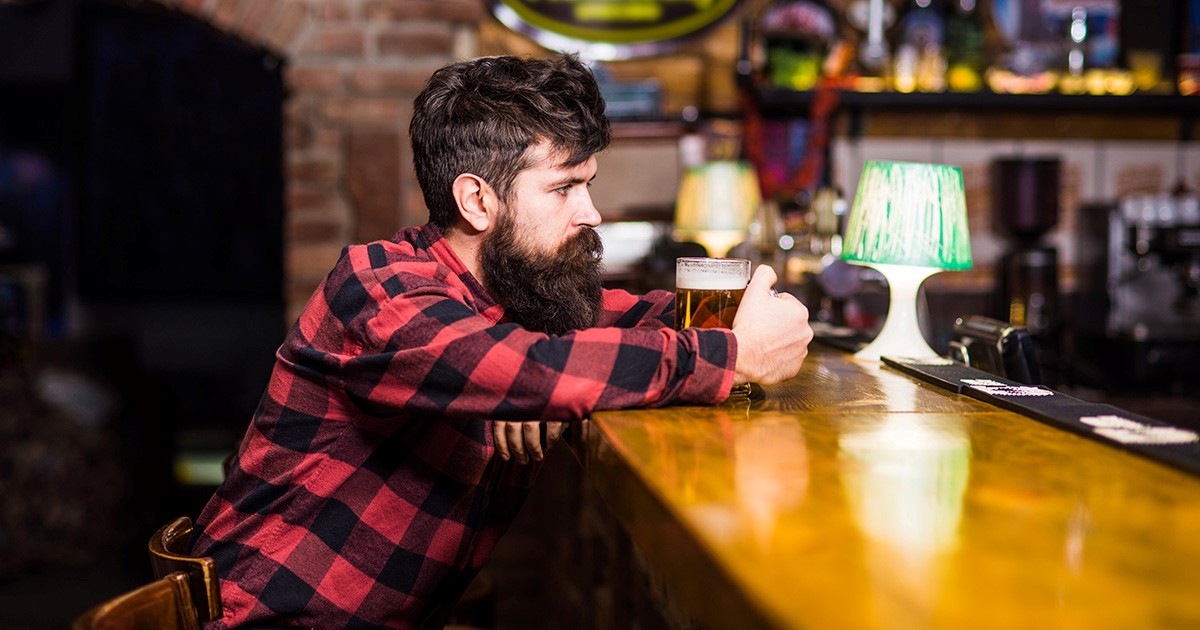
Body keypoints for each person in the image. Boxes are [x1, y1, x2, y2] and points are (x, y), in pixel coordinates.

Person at [190, 53, 813, 629]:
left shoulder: (515, 305)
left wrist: (741, 323)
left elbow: (621, 324)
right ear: (477, 200)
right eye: (565, 187)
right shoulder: (379, 289)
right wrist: (734, 355)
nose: (591, 212)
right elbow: (528, 372)